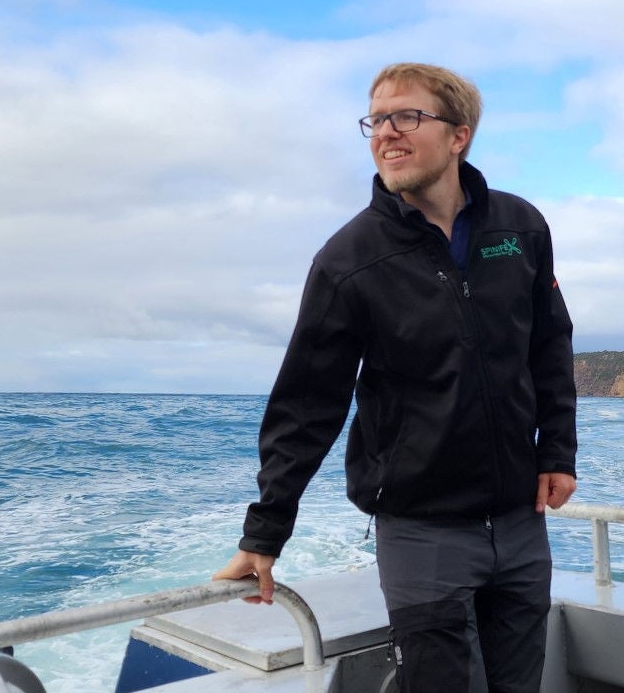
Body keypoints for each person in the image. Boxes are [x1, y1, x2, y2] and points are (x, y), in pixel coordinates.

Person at [213, 62, 578, 693]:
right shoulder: (349, 260)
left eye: (407, 116)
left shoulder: (520, 230)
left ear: (459, 135)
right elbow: (307, 402)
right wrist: (266, 529)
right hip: (422, 530)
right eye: (376, 120)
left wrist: (558, 452)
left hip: (521, 522)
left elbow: (549, 343)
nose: (387, 133)